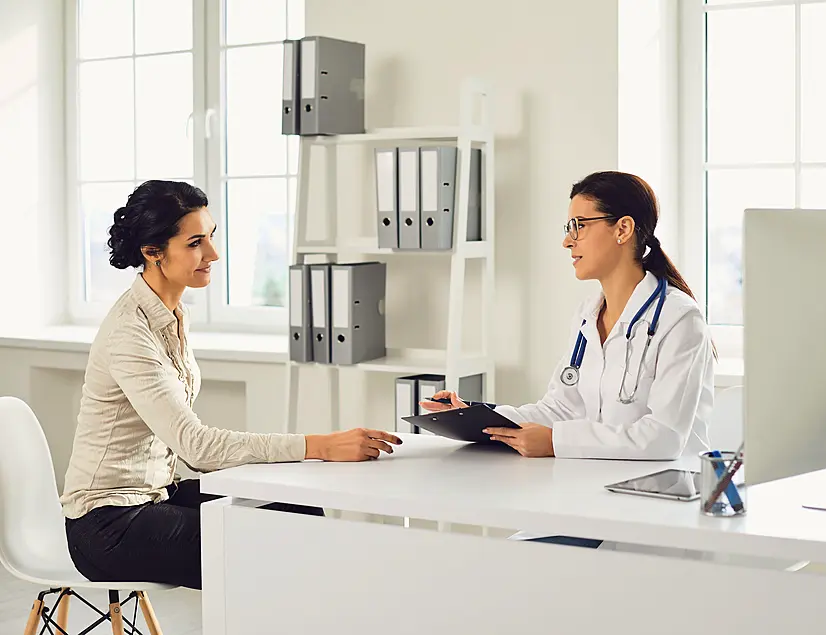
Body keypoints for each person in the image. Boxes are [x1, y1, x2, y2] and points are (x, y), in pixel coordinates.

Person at [60, 180, 401, 590]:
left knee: (299, 512)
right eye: (195, 243)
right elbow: (197, 448)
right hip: (108, 525)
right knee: (267, 543)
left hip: (157, 497)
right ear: (153, 253)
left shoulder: (170, 315)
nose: (213, 254)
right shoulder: (130, 334)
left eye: (212, 237)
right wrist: (320, 446)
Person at [421, 171, 715, 547]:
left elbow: (664, 438)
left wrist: (556, 441)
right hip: (592, 496)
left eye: (579, 226)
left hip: (657, 508)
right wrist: (479, 415)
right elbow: (559, 408)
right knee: (503, 559)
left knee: (514, 568)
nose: (567, 240)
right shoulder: (590, 313)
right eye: (568, 227)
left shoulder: (679, 319)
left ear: (622, 229)